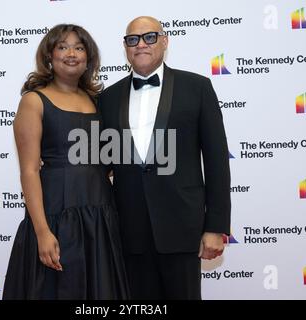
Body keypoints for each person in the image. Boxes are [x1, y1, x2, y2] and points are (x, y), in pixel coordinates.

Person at [98, 16, 231, 300]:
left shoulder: (197, 87)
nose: (141, 44)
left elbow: (217, 160)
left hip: (183, 227)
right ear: (125, 47)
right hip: (129, 231)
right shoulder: (107, 98)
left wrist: (216, 227)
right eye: (133, 39)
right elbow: (101, 159)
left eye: (149, 37)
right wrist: (54, 159)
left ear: (165, 41)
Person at [3, 24, 129, 299]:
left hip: (100, 216)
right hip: (57, 215)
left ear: (89, 58)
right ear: (49, 56)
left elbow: (109, 159)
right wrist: (42, 232)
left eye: (79, 47)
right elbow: (29, 170)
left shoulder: (99, 100)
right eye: (62, 47)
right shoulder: (34, 101)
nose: (71, 53)